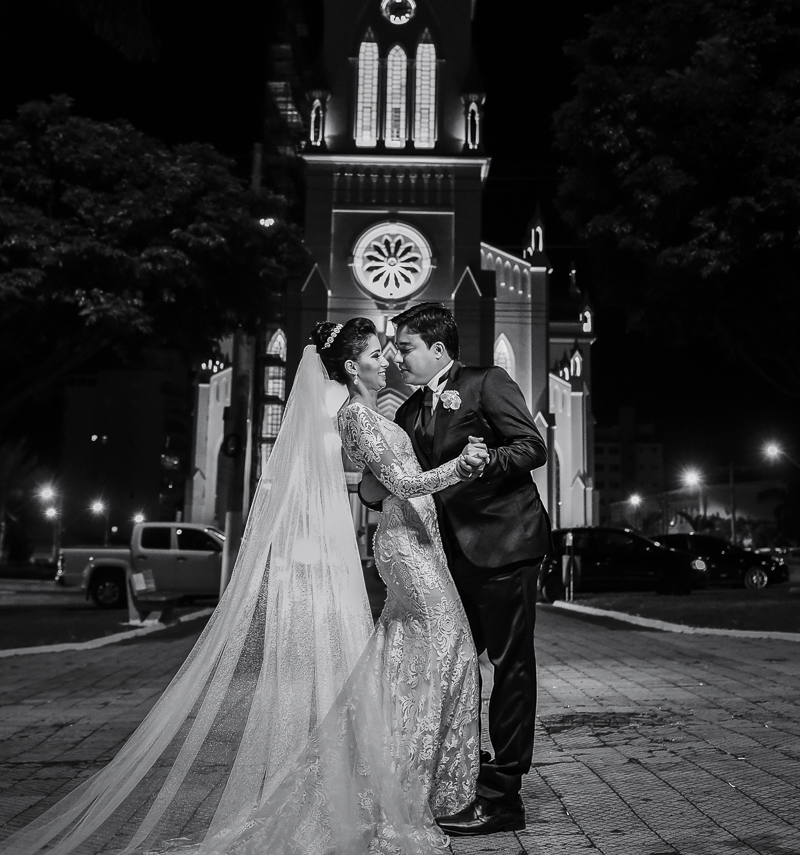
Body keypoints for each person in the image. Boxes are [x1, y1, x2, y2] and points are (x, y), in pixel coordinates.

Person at [0, 322, 489, 855]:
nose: (387, 359)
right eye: (376, 354)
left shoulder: (379, 413)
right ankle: (407, 784)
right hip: (404, 543)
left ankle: (393, 776)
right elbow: (401, 483)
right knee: (448, 645)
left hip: (419, 537)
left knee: (408, 656)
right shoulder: (353, 415)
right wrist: (459, 467)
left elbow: (378, 482)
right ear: (352, 368)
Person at [358, 304, 552, 837]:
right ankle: (460, 778)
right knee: (455, 663)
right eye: (393, 348)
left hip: (504, 542)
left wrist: (487, 460)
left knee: (510, 664)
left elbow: (532, 447)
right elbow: (399, 482)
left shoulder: (486, 382)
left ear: (438, 350)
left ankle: (504, 792)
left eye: (406, 346)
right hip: (444, 558)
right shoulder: (407, 412)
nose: (397, 355)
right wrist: (372, 488)